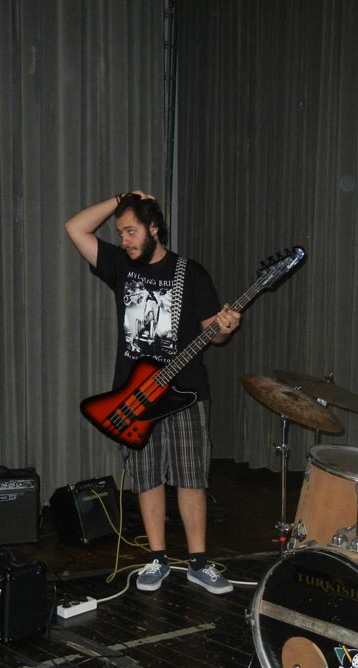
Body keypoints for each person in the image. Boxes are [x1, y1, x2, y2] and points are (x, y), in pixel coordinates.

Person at [65, 191, 241, 594]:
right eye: (120, 233)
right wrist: (119, 200)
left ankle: (198, 563)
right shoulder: (120, 266)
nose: (124, 239)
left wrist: (225, 328)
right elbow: (74, 228)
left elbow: (213, 334)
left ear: (154, 228)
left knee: (191, 477)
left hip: (187, 391)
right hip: (134, 396)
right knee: (146, 478)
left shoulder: (190, 273)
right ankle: (157, 558)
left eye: (131, 231)